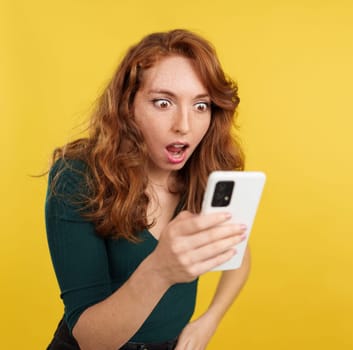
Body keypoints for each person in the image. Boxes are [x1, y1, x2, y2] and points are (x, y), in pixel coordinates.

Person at [45, 29, 250, 350]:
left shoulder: (206, 174)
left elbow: (240, 254)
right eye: (163, 102)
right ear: (128, 108)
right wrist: (160, 270)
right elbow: (89, 340)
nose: (184, 124)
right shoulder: (77, 175)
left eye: (200, 105)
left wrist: (209, 320)